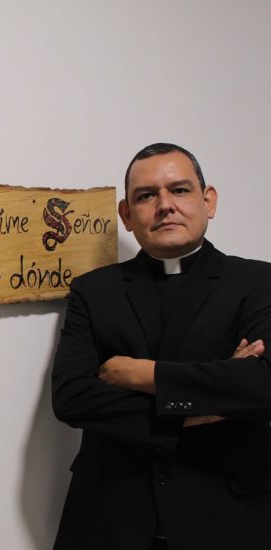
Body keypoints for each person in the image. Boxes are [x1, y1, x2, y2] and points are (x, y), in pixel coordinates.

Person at [51, 143, 271, 550]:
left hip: (227, 516)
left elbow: (262, 384)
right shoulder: (93, 292)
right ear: (126, 215)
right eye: (146, 195)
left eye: (180, 190)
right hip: (111, 516)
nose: (165, 205)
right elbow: (72, 398)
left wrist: (140, 374)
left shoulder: (258, 282)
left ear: (208, 201)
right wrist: (201, 407)